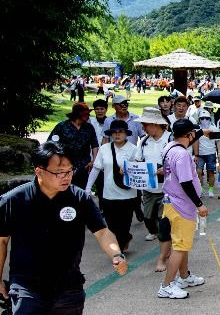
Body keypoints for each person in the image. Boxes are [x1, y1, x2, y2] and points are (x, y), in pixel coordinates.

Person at [0, 142, 128, 313]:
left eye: (70, 171)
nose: (66, 177)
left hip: (69, 285)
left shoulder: (79, 198)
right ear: (39, 171)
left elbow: (102, 232)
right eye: (59, 172)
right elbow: (1, 241)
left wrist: (116, 254)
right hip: (27, 285)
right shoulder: (14, 201)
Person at [157, 119, 209, 299]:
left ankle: (184, 276)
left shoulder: (169, 148)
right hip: (182, 205)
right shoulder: (183, 155)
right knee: (179, 246)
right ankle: (166, 285)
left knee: (182, 243)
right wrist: (199, 204)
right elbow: (186, 182)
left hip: (170, 202)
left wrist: (202, 132)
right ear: (189, 134)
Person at [85, 120, 138, 253]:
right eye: (114, 132)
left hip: (128, 194)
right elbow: (96, 169)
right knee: (112, 225)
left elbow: (139, 170)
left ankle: (119, 250)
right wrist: (88, 188)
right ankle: (123, 241)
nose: (117, 135)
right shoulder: (104, 149)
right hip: (108, 194)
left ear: (126, 133)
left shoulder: (134, 149)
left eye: (120, 132)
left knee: (124, 226)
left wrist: (129, 169)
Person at [134, 107, 173, 272]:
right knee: (148, 219)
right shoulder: (143, 141)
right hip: (149, 189)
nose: (143, 128)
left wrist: (166, 169)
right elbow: (137, 161)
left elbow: (182, 162)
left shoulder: (171, 139)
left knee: (164, 224)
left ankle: (162, 257)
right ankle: (167, 243)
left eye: (146, 124)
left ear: (156, 124)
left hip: (168, 190)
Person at [48, 103, 99, 189]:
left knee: (80, 192)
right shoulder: (62, 126)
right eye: (85, 114)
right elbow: (51, 144)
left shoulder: (89, 128)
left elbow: (94, 144)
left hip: (83, 167)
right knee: (64, 191)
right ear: (77, 114)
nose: (88, 116)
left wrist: (94, 161)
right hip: (64, 167)